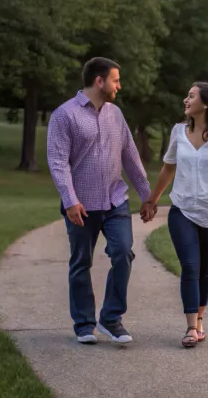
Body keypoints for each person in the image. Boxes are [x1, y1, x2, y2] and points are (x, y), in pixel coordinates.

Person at [47, 57, 156, 345]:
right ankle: (83, 323)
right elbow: (58, 162)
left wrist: (147, 196)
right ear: (99, 81)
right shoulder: (64, 115)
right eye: (115, 80)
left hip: (115, 200)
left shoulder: (115, 114)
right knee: (81, 262)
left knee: (123, 253)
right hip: (81, 206)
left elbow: (130, 157)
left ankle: (110, 318)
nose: (119, 85)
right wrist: (70, 200)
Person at [144, 81, 208, 348]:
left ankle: (199, 320)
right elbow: (168, 169)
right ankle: (190, 328)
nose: (185, 100)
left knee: (206, 270)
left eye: (191, 96)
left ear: (207, 103)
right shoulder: (178, 132)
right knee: (190, 266)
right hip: (182, 210)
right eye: (186, 95)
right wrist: (152, 200)